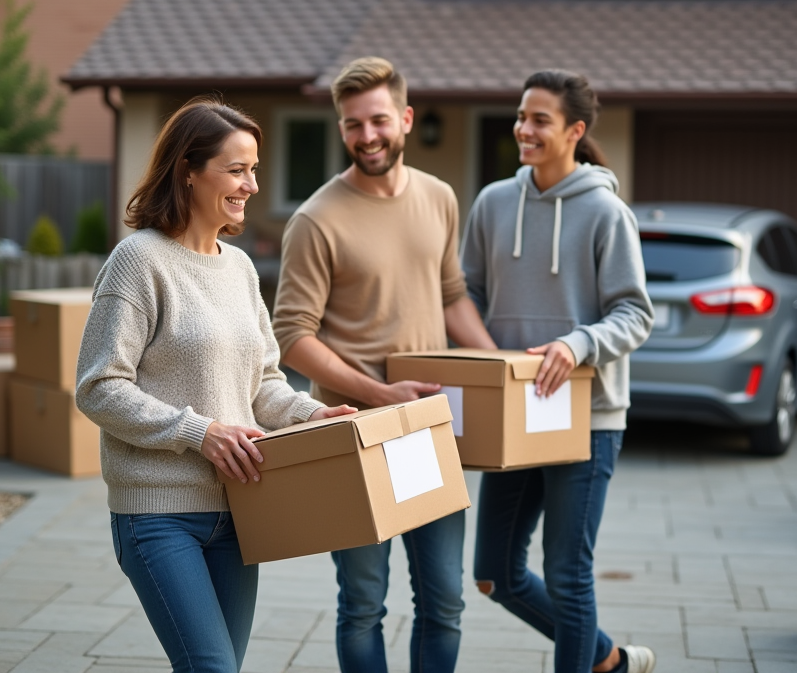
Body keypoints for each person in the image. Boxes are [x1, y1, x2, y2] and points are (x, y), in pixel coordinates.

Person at [76, 97, 356, 673]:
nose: (252, 185)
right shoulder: (138, 262)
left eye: (254, 169)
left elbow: (264, 383)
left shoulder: (241, 268)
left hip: (240, 510)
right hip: (158, 514)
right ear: (188, 169)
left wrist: (311, 415)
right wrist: (199, 432)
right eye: (236, 170)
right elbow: (99, 386)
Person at [273, 57, 496, 673]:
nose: (366, 136)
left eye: (377, 121)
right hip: (354, 435)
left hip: (428, 427)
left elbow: (451, 295)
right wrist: (379, 394)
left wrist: (499, 369)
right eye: (353, 125)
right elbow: (291, 338)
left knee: (445, 602)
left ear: (406, 118)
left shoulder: (439, 197)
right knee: (363, 605)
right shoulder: (316, 219)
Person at [461, 70, 657, 673]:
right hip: (515, 415)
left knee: (569, 574)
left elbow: (635, 314)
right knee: (495, 573)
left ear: (575, 131)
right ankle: (608, 659)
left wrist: (577, 344)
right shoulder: (494, 203)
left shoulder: (606, 212)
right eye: (521, 116)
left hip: (587, 418)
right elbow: (467, 294)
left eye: (539, 120)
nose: (524, 128)